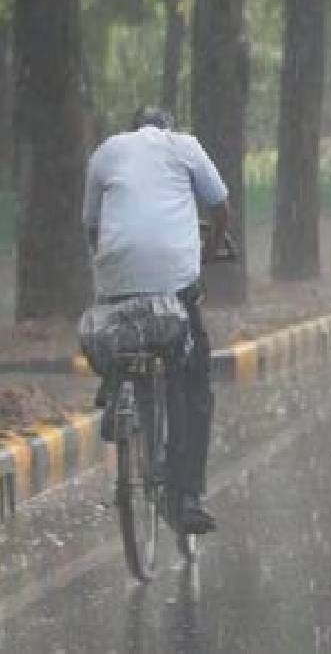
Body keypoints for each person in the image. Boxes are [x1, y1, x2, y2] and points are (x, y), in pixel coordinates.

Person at [82, 105, 230, 534]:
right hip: (173, 288)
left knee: (121, 330)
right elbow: (221, 210)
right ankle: (185, 496)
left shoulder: (107, 152)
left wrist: (114, 269)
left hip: (117, 283)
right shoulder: (184, 146)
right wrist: (208, 255)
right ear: (168, 128)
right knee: (192, 378)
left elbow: (93, 228)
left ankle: (115, 390)